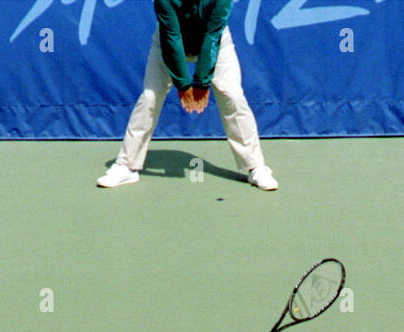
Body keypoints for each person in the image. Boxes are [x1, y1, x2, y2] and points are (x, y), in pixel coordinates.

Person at [97, 0, 277, 191]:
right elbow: (172, 37)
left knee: (232, 96)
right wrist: (183, 85)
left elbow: (212, 37)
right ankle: (126, 166)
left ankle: (255, 167)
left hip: (216, 42)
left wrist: (201, 83)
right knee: (150, 97)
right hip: (167, 41)